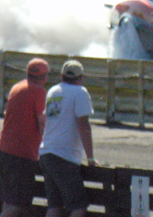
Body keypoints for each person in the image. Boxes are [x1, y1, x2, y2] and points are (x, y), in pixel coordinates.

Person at [39, 60, 95, 217]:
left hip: (46, 152)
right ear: (81, 77)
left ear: (61, 76)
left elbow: (44, 121)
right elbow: (84, 126)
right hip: (64, 156)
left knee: (54, 206)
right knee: (78, 207)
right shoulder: (80, 92)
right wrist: (90, 158)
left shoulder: (53, 91)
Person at [0, 58, 50, 217]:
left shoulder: (17, 87)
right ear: (44, 76)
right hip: (22, 154)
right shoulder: (39, 91)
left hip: (5, 150)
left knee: (9, 200)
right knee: (17, 205)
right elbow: (42, 122)